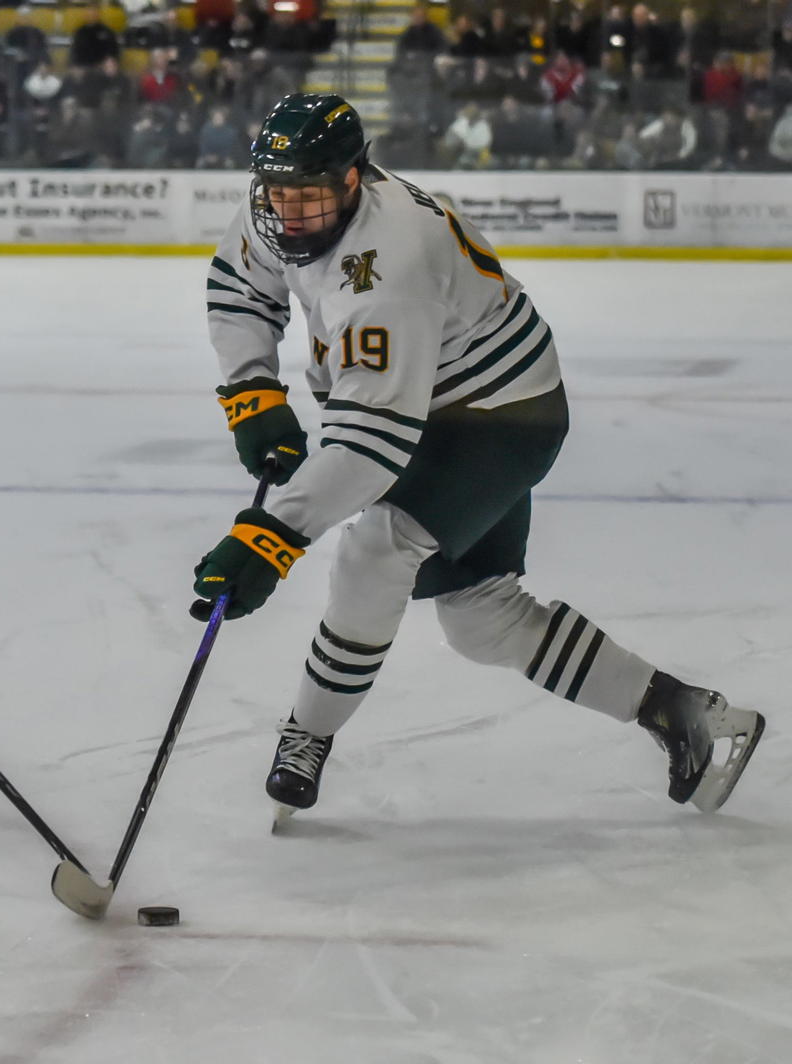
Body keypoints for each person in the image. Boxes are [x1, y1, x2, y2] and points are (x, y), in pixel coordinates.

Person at [192, 93, 764, 821]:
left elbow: (375, 441)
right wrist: (253, 394)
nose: (289, 213)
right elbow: (241, 286)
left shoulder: (390, 258)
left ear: (353, 179)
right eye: (277, 194)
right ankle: (678, 709)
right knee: (480, 619)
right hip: (433, 402)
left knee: (377, 549)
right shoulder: (277, 206)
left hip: (497, 418)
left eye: (308, 194)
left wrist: (270, 539)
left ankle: (306, 734)